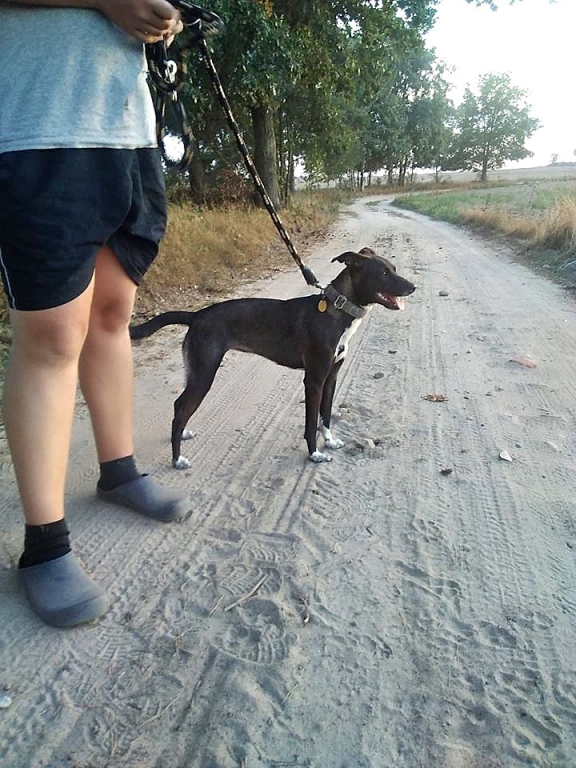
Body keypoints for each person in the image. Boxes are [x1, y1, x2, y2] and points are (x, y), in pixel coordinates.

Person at [0, 0, 190, 628]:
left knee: (112, 313)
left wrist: (164, 17)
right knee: (53, 337)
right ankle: (44, 546)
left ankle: (118, 470)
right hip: (35, 128)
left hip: (128, 133)